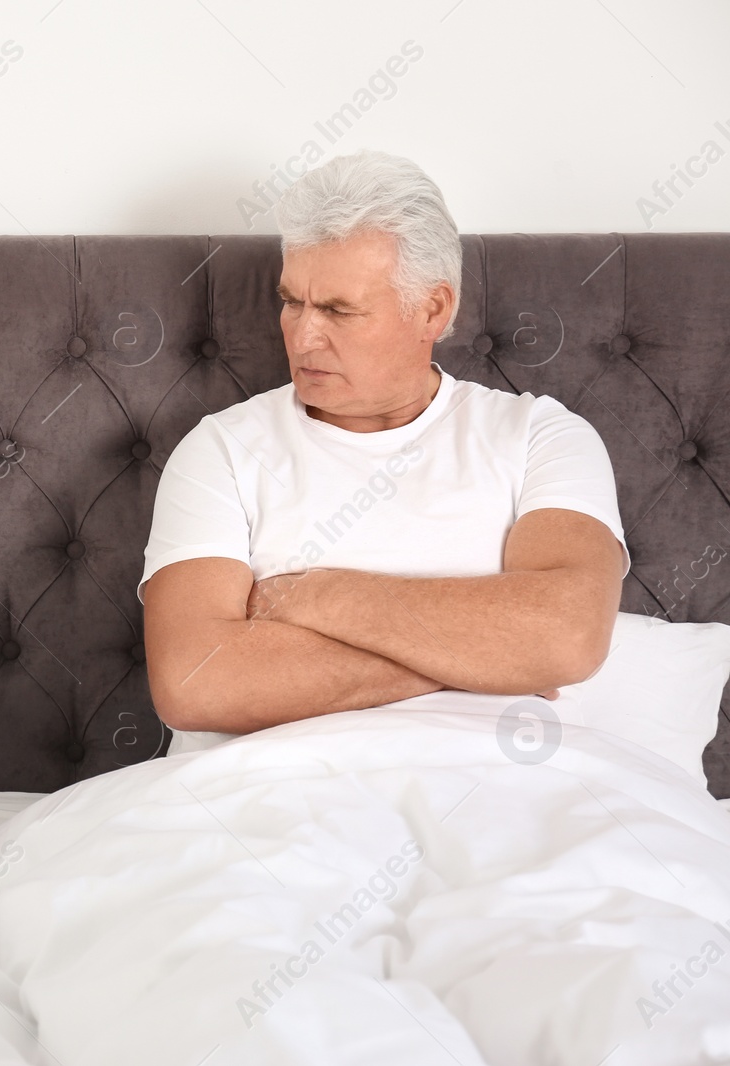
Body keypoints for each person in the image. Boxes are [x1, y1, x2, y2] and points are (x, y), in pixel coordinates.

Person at [142, 150, 629, 735]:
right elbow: (195, 684)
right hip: (269, 798)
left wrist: (313, 597)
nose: (304, 335)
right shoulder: (220, 449)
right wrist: (478, 656)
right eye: (292, 301)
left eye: (339, 310)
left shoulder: (542, 438)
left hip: (496, 787)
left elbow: (567, 637)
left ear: (432, 309)